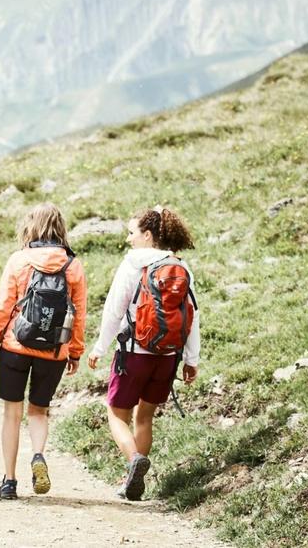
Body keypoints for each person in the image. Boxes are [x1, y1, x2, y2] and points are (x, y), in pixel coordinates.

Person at [87, 206, 199, 501]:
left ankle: (134, 459)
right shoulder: (181, 266)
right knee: (145, 416)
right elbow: (192, 315)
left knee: (116, 413)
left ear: (148, 235)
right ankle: (132, 482)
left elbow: (113, 310)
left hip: (134, 352)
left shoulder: (133, 264)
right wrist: (191, 359)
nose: (129, 238)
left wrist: (99, 347)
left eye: (132, 232)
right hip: (167, 356)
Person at [0, 203, 87, 500]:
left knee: (12, 414)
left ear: (31, 227)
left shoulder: (19, 260)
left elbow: (3, 306)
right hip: (54, 350)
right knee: (39, 412)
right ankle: (38, 455)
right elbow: (78, 315)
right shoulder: (73, 265)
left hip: (16, 346)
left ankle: (9, 480)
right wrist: (75, 351)